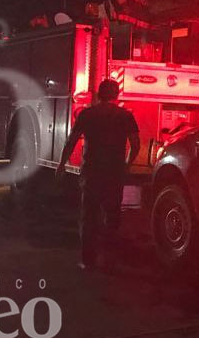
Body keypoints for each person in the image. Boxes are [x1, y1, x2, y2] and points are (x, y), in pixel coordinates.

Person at [57, 79, 141, 270]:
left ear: (98, 94)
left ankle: (88, 260)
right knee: (112, 216)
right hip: (114, 172)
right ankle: (109, 260)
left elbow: (71, 140)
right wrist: (127, 164)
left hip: (92, 172)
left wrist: (62, 163)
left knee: (89, 216)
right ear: (117, 94)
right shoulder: (125, 116)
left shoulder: (87, 114)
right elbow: (135, 144)